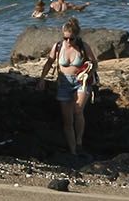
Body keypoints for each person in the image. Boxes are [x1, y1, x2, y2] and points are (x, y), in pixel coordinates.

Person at [38, 16, 98, 158]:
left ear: (77, 36)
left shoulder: (84, 47)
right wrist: (41, 79)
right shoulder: (58, 46)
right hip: (64, 83)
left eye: (71, 38)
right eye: (65, 38)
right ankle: (73, 151)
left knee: (77, 111)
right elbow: (49, 62)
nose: (68, 41)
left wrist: (88, 73)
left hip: (81, 82)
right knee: (67, 119)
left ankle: (79, 142)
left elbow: (94, 63)